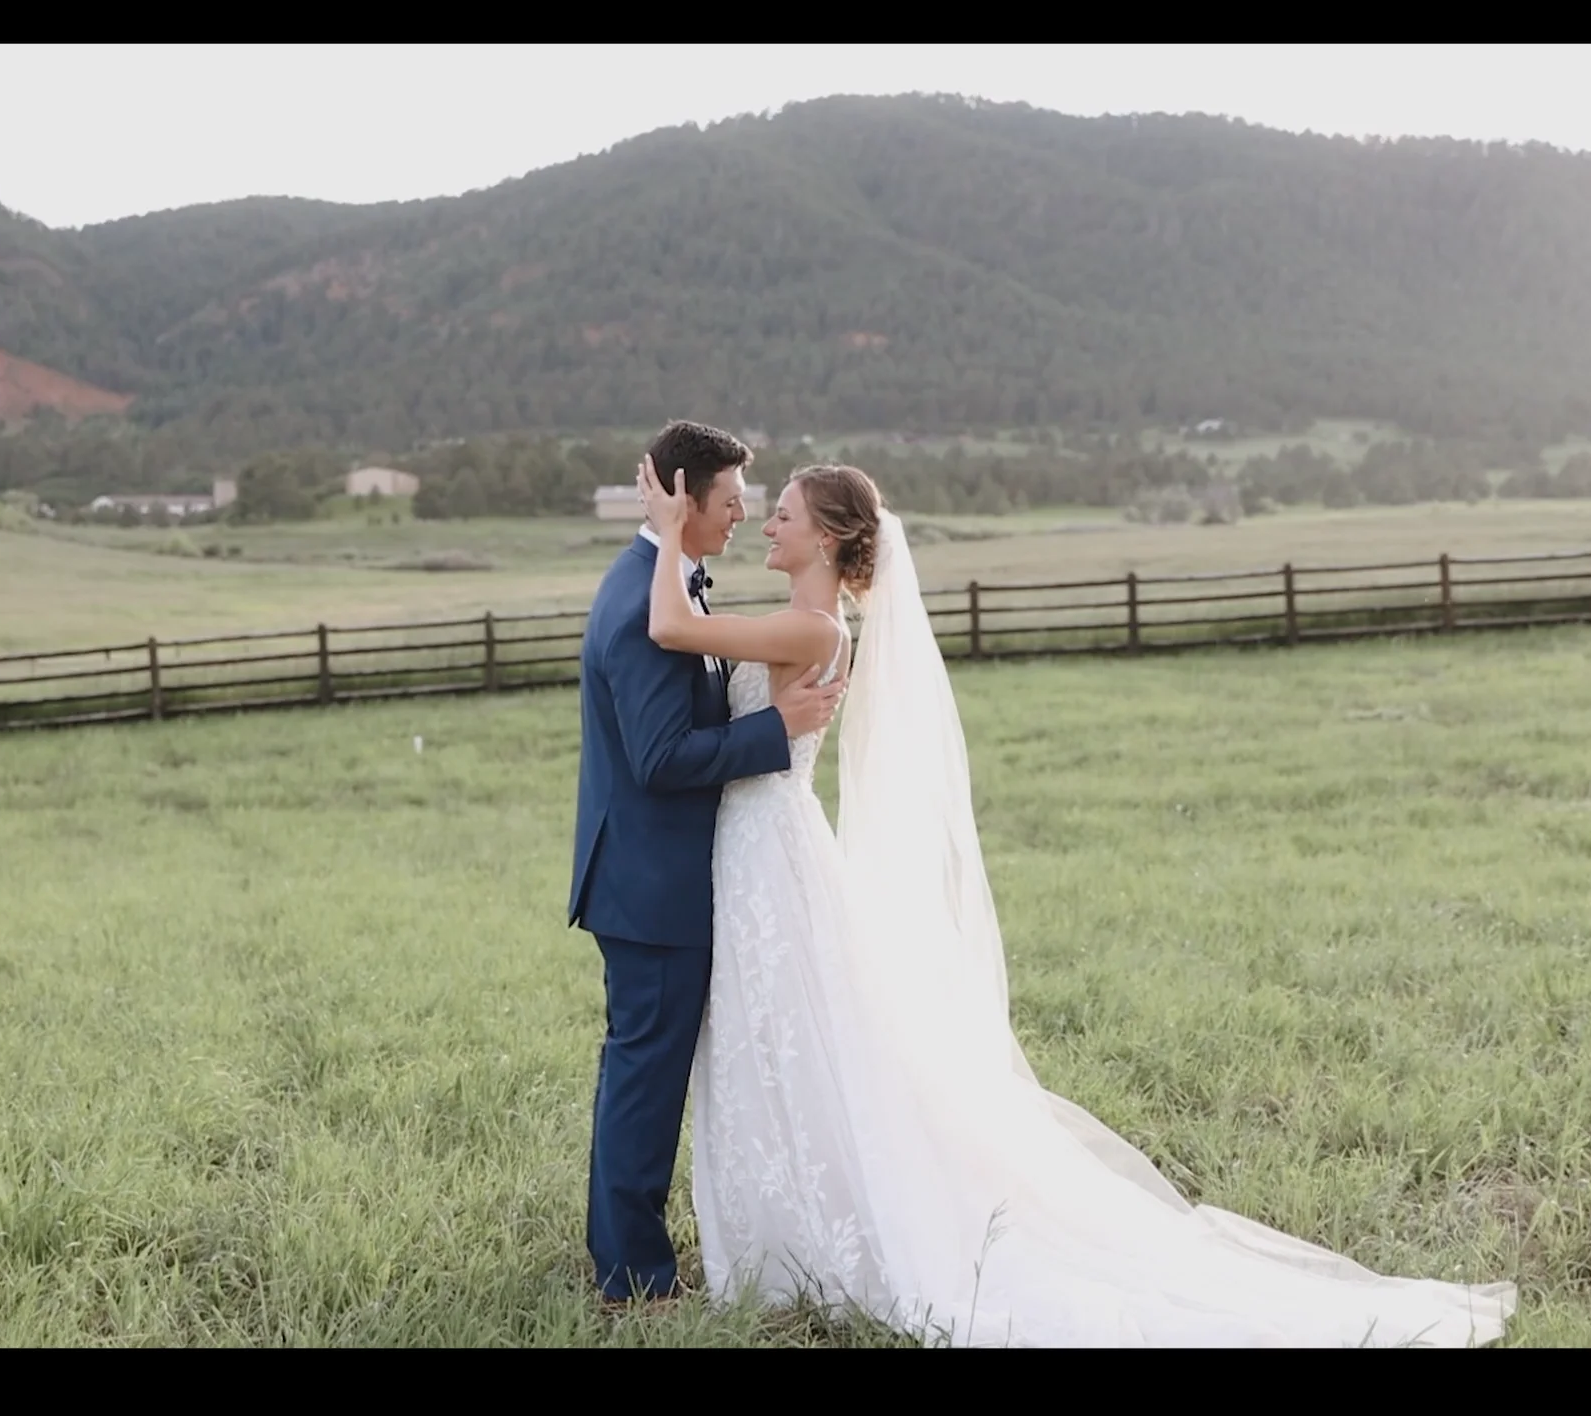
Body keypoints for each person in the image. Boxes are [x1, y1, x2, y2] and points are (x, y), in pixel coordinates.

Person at [635, 454, 1519, 1347]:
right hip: (758, 851)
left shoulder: (813, 629)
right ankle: (786, 1238)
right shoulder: (800, 619)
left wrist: (668, 533)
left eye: (783, 513)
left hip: (774, 850)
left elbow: (670, 624)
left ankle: (820, 1238)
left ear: (825, 536)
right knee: (776, 1043)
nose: (769, 525)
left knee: (791, 1039)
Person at [568, 419, 845, 1304]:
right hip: (653, 888)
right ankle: (633, 1282)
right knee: (645, 1082)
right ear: (685, 499)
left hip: (675, 877)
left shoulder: (664, 584)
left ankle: (634, 1253)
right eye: (729, 504)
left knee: (644, 1073)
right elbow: (657, 759)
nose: (741, 520)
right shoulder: (643, 606)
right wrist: (775, 731)